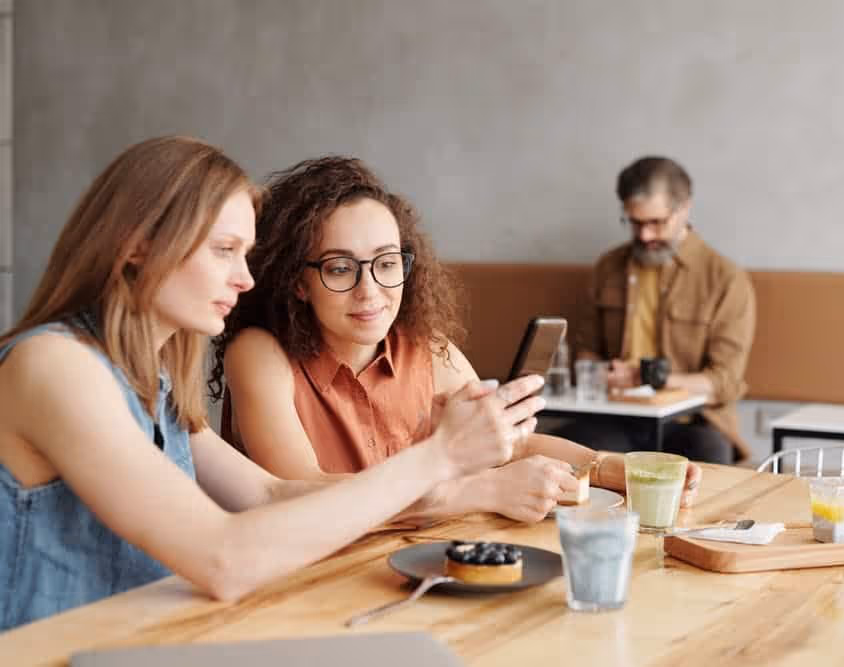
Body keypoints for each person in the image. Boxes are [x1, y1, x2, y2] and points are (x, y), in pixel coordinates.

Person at [0, 137, 544, 631]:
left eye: (245, 252)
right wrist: (438, 458)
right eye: (224, 250)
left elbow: (269, 493)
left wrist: (445, 486)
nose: (247, 277)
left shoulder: (151, 377)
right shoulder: (54, 365)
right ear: (138, 246)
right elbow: (222, 560)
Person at [211, 156, 702, 522]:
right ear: (298, 280)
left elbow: (512, 444)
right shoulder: (258, 352)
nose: (370, 291)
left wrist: (622, 471)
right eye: (340, 268)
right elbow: (302, 494)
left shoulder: (426, 347)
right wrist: (481, 491)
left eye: (386, 264)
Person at [568, 156, 756, 464]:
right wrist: (600, 374)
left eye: (656, 223)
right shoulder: (607, 267)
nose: (644, 236)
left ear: (684, 209)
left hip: (695, 423)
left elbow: (725, 382)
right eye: (635, 222)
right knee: (568, 455)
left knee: (709, 458)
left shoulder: (726, 279)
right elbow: (587, 352)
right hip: (616, 417)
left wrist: (646, 379)